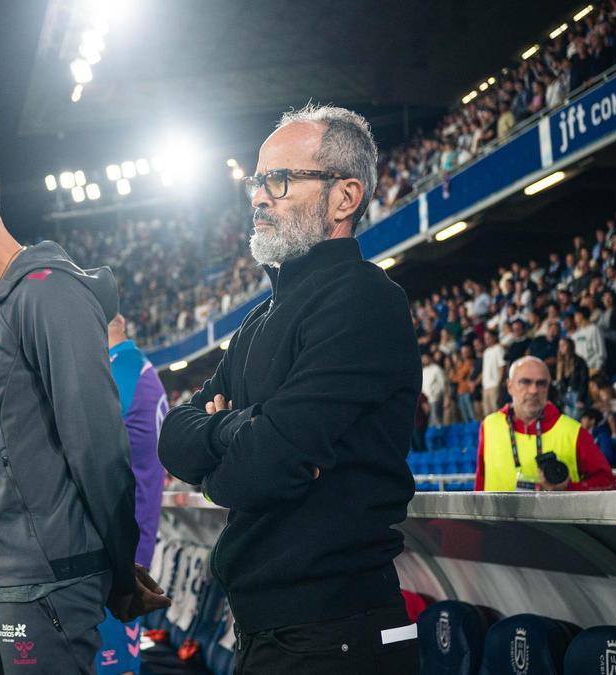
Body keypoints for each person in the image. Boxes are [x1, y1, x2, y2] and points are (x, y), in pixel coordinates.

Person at [158, 104, 422, 673]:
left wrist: (229, 443)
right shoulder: (257, 319)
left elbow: (262, 466)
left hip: (337, 632)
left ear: (344, 198)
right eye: (257, 181)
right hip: (267, 627)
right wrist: (242, 428)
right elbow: (174, 436)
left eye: (278, 180)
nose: (258, 196)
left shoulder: (365, 300)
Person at [0, 159, 166, 674]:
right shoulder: (5, 306)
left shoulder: (48, 291)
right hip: (0, 580)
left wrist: (121, 571)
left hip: (45, 585)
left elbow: (98, 446)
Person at [96, 314, 168, 675]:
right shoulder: (133, 367)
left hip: (119, 550)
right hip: (128, 540)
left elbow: (89, 449)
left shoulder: (121, 369)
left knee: (114, 665)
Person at [475, 356, 616, 491]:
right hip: (495, 517)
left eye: (541, 383)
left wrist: (568, 488)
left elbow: (608, 482)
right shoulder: (489, 426)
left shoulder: (572, 431)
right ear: (509, 386)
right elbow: (480, 484)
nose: (533, 390)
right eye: (525, 382)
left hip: (554, 517)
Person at [481, 331, 507, 416]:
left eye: (488, 338)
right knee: (487, 413)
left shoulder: (499, 349)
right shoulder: (486, 352)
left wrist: (498, 383)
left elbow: (502, 366)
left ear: (494, 337)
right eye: (485, 339)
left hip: (494, 384)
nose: (486, 340)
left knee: (496, 411)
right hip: (486, 386)